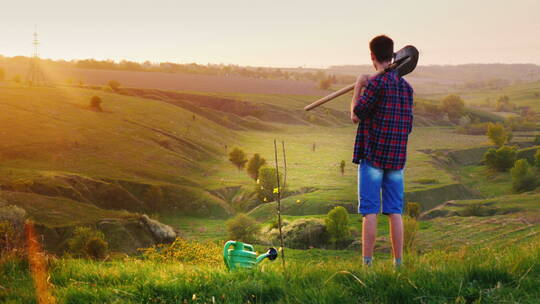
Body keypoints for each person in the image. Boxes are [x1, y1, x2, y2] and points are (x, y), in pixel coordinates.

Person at [350, 35, 414, 267]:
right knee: (394, 211)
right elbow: (408, 125)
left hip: (374, 157)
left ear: (372, 56)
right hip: (397, 159)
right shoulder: (406, 88)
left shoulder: (376, 84)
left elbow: (356, 115)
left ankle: (367, 266)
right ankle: (398, 264)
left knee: (370, 212)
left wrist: (359, 85)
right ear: (393, 54)